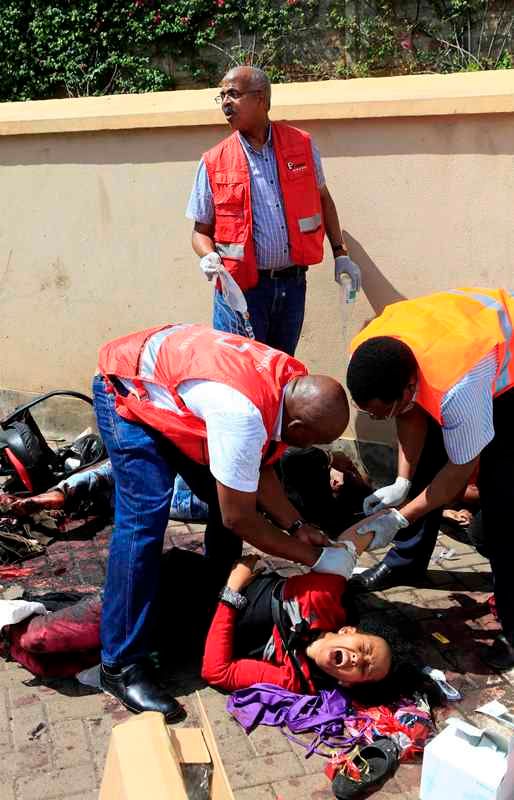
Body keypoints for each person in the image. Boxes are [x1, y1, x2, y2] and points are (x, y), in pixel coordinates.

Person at [93, 322, 352, 720]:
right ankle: (121, 665)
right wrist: (312, 559)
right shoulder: (243, 414)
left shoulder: (288, 379)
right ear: (298, 427)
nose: (313, 449)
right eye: (312, 441)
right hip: (128, 390)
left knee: (226, 489)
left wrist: (298, 526)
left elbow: (258, 467)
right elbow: (240, 519)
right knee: (144, 520)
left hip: (173, 394)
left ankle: (217, 593)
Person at [345, 287, 514, 670]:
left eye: (382, 411)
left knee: (504, 507)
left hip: (506, 375)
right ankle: (407, 560)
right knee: (424, 465)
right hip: (460, 355)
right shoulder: (369, 350)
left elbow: (457, 473)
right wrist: (403, 482)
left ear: (407, 386)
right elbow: (407, 411)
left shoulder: (458, 389)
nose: (379, 419)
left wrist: (401, 517)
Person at [186, 66, 361, 355]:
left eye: (234, 94)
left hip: (291, 286)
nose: (226, 103)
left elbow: (324, 200)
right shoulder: (213, 161)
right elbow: (200, 232)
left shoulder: (301, 145)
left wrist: (340, 253)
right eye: (222, 96)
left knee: (282, 369)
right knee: (241, 376)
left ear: (262, 100)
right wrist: (208, 256)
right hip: (241, 291)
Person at [202, 512, 393, 693]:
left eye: (365, 668)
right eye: (363, 649)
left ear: (348, 683)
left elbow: (217, 672)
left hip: (192, 612)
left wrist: (231, 593)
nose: (357, 658)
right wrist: (402, 503)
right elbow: (351, 547)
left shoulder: (294, 678)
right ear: (348, 630)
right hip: (206, 572)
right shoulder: (328, 601)